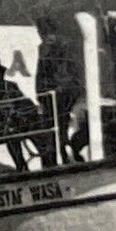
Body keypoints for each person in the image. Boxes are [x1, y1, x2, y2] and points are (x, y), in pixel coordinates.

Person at [34, 14, 81, 166]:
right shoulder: (42, 49)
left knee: (61, 126)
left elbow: (71, 73)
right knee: (50, 129)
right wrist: (40, 93)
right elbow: (40, 73)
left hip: (64, 95)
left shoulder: (64, 47)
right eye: (43, 33)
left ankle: (66, 156)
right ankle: (52, 161)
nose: (46, 37)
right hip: (49, 96)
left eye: (48, 33)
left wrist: (62, 87)